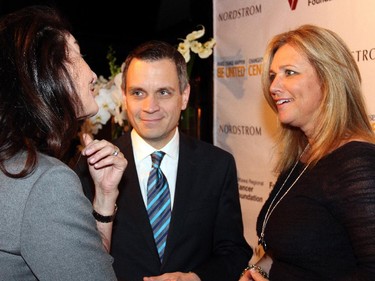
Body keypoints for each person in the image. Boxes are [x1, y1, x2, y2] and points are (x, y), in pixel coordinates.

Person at [75, 40, 253, 281]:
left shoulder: (217, 166)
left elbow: (233, 251)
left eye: (164, 92)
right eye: (138, 93)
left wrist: (196, 278)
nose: (150, 107)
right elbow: (80, 256)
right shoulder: (95, 164)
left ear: (184, 96)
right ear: (125, 97)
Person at [0, 5, 127, 280]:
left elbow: (80, 261)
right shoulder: (46, 182)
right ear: (50, 69)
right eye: (78, 54)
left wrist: (104, 198)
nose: (93, 74)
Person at [239, 24, 375, 281]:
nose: (274, 87)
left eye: (289, 73)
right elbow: (299, 248)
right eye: (273, 76)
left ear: (329, 79)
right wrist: (259, 269)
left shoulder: (357, 164)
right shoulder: (304, 155)